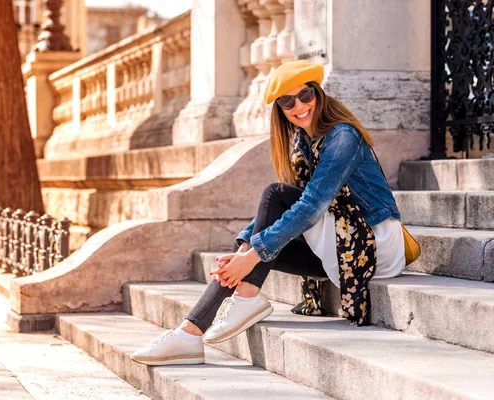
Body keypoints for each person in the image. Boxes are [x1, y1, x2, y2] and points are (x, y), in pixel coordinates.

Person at [130, 60, 405, 366]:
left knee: (274, 199)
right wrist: (245, 248)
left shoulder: (342, 137)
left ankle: (227, 310)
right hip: (341, 245)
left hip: (371, 244)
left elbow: (310, 207)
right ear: (280, 110)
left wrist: (251, 254)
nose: (298, 106)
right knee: (257, 240)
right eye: (287, 101)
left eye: (305, 95)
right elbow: (287, 213)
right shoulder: (304, 140)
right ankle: (191, 333)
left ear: (319, 94)